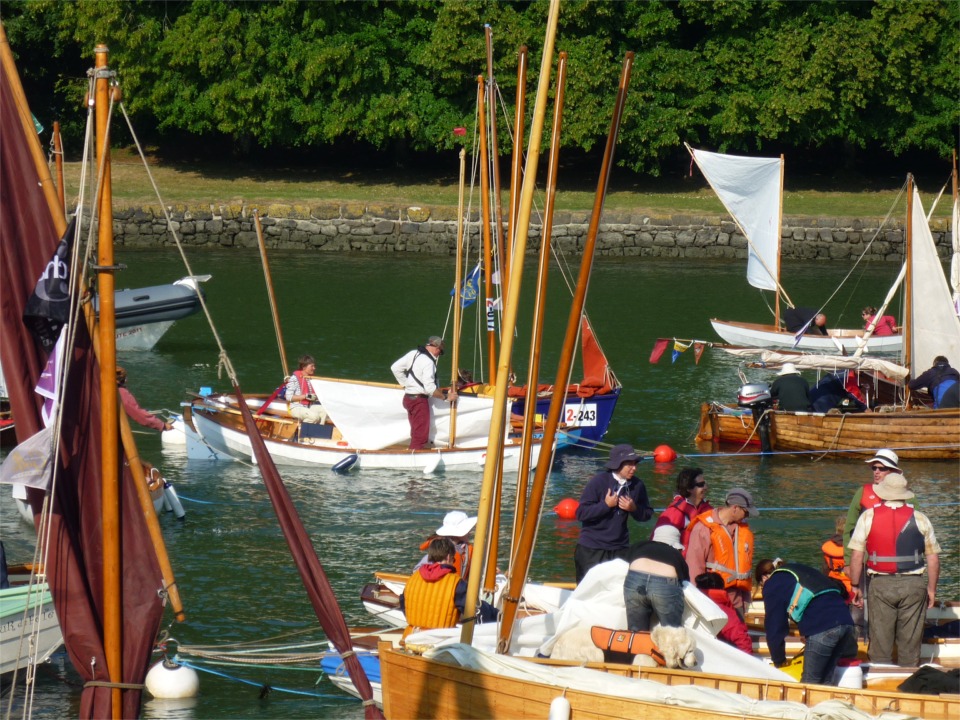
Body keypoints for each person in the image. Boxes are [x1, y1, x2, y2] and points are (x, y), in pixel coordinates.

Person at [848, 472, 941, 667]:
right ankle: (909, 680)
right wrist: (931, 589)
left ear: (882, 493)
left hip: (881, 584)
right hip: (913, 584)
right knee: (911, 643)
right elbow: (933, 558)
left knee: (880, 642)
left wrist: (855, 586)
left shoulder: (868, 516)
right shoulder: (920, 518)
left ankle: (881, 678)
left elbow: (857, 556)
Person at [757, 559, 858, 685]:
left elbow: (775, 627)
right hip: (846, 621)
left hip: (823, 626)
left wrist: (779, 661)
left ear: (764, 578)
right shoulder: (797, 569)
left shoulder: (771, 584)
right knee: (826, 681)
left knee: (809, 684)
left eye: (761, 586)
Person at [574, 444, 653, 584]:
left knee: (617, 591)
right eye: (629, 464)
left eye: (635, 464)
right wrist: (605, 506)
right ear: (617, 464)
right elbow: (581, 513)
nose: (634, 468)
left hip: (620, 549)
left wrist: (634, 509)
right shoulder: (598, 482)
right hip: (592, 549)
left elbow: (647, 514)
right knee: (588, 593)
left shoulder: (637, 485)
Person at [399, 537, 497, 641]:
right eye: (454, 560)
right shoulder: (456, 583)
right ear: (449, 557)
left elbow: (403, 603)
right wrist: (497, 615)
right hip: (440, 643)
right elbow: (476, 609)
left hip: (410, 638)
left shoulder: (413, 578)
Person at [685, 488, 758, 616]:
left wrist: (746, 599)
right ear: (735, 508)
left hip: (737, 602)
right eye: (746, 512)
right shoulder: (703, 529)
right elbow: (694, 568)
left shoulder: (741, 528)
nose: (747, 516)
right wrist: (697, 603)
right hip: (712, 601)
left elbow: (743, 566)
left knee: (739, 634)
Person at [391, 336, 458, 450]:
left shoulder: (413, 354)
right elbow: (430, 389)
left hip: (408, 398)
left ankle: (413, 451)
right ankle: (414, 457)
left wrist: (407, 385)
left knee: (416, 431)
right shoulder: (428, 362)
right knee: (420, 435)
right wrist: (446, 397)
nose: (438, 355)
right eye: (440, 352)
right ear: (437, 349)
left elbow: (395, 368)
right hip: (419, 401)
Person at [622, 525, 689, 632]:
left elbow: (622, 565)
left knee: (636, 632)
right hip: (665, 584)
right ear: (675, 545)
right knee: (671, 633)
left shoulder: (639, 546)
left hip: (635, 579)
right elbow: (684, 582)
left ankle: (636, 646)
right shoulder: (676, 554)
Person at [695, 571, 752, 655]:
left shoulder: (691, 606)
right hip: (718, 658)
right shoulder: (725, 613)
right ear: (721, 588)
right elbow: (742, 640)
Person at [651, 467, 712, 544]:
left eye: (705, 484)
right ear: (689, 488)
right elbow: (658, 546)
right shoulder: (674, 513)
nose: (706, 487)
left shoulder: (708, 509)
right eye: (701, 485)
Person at [414, 510, 477, 578]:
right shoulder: (441, 549)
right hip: (449, 585)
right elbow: (417, 571)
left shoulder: (464, 548)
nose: (469, 532)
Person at [116, 366, 172, 431]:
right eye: (124, 378)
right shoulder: (121, 392)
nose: (126, 380)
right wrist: (162, 425)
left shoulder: (103, 389)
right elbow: (137, 413)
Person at [284, 354, 327, 424]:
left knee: (324, 411)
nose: (314, 368)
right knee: (314, 417)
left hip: (309, 406)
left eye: (314, 366)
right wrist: (305, 396)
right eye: (312, 366)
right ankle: (304, 433)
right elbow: (288, 396)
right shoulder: (294, 378)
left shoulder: (311, 379)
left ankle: (318, 432)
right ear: (304, 367)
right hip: (296, 407)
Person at [822, 515, 853, 600]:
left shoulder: (828, 546)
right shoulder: (855, 546)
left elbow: (825, 570)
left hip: (835, 586)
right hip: (853, 587)